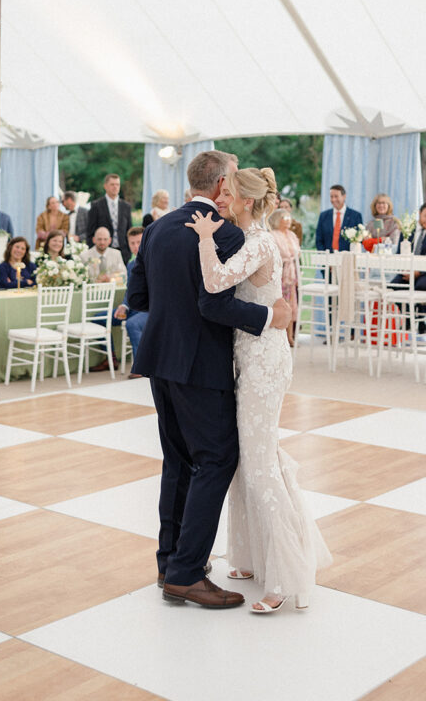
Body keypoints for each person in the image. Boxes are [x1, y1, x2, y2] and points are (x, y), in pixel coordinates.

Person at [127, 149, 291, 610]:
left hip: (160, 361)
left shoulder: (156, 227)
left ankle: (170, 561)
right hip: (201, 366)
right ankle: (185, 573)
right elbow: (213, 303)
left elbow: (138, 296)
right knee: (216, 460)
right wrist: (269, 316)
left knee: (177, 462)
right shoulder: (227, 232)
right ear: (221, 185)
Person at [186, 167, 332, 614]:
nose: (221, 199)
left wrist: (205, 238)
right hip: (249, 357)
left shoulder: (261, 242)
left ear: (247, 201)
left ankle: (286, 576)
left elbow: (214, 283)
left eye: (227, 193)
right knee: (249, 458)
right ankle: (249, 557)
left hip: (265, 362)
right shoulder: (250, 239)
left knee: (260, 462)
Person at [392, 201, 426, 336]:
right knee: (393, 286)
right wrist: (406, 271)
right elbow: (399, 252)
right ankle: (411, 317)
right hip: (407, 270)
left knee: (419, 287)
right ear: (420, 214)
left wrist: (418, 272)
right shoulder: (409, 228)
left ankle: (418, 320)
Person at [114, 226, 147, 378]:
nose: (135, 247)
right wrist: (124, 305)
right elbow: (131, 289)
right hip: (135, 307)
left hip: (152, 308)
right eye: (132, 243)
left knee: (132, 324)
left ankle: (141, 366)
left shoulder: (155, 260)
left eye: (139, 242)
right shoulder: (131, 264)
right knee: (105, 318)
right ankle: (110, 359)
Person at [269, 207, 300, 347]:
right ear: (277, 220)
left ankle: (290, 336)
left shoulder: (292, 235)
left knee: (291, 305)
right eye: (284, 218)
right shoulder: (272, 235)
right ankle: (278, 337)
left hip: (291, 274)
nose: (288, 220)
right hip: (279, 274)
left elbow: (297, 253)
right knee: (279, 304)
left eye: (289, 217)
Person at [86, 174, 133, 264]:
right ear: (105, 186)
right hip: (102, 251)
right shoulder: (96, 205)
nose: (115, 187)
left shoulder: (126, 206)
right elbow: (90, 231)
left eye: (117, 184)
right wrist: (93, 251)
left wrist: (128, 251)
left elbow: (129, 229)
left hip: (123, 252)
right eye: (112, 184)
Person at [315, 184, 363, 252]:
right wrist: (324, 255)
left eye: (336, 196)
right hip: (327, 258)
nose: (333, 199)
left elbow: (359, 239)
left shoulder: (355, 216)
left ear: (344, 196)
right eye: (331, 197)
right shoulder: (323, 216)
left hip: (347, 258)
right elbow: (319, 239)